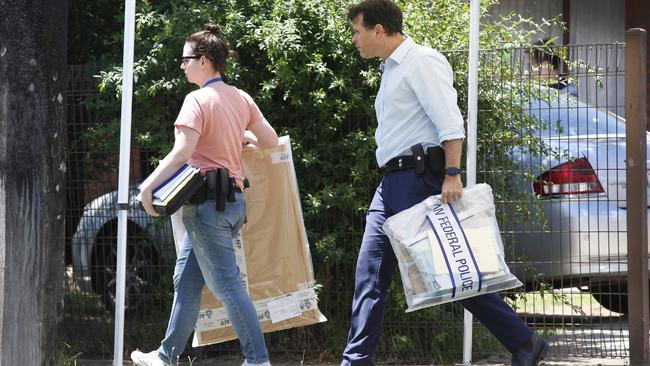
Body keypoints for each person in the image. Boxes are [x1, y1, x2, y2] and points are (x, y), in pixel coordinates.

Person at [341, 1, 548, 365]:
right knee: (369, 272)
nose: (354, 39)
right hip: (390, 183)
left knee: (446, 273)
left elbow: (450, 123)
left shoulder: (421, 61)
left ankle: (524, 341)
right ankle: (356, 360)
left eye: (357, 31)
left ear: (377, 30)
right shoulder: (390, 69)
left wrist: (452, 174)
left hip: (418, 180)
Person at [131, 23, 278, 366]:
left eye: (186, 59)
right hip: (233, 204)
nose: (182, 65)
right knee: (186, 280)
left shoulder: (196, 100)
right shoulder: (240, 98)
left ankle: (258, 361)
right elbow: (270, 141)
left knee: (227, 285)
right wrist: (243, 139)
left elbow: (182, 153)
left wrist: (148, 187)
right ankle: (166, 356)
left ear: (206, 60)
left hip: (207, 207)